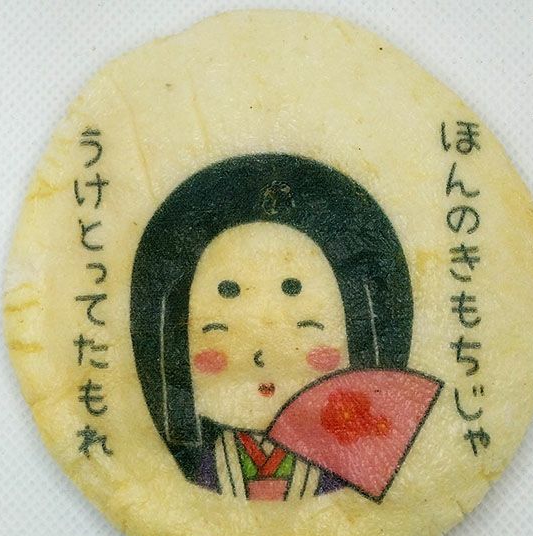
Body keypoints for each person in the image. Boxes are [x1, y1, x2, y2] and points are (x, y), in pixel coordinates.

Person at [130, 153, 413, 500]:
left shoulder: (338, 476)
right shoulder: (202, 471)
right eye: (219, 330)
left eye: (307, 326)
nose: (262, 356)